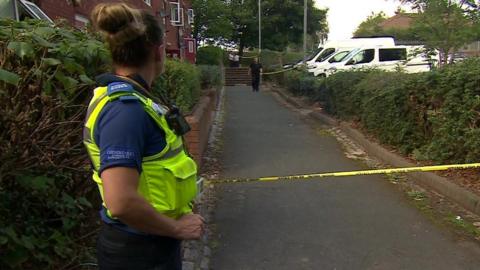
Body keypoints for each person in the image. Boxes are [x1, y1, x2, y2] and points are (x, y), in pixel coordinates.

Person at [84, 3, 204, 269]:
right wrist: (176, 228)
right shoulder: (126, 112)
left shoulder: (137, 100)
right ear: (158, 51)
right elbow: (122, 202)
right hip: (138, 252)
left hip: (149, 244)